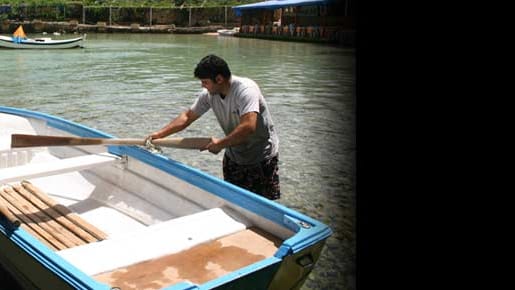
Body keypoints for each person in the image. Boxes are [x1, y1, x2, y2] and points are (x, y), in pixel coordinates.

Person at [146, 54, 280, 200]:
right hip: (233, 155)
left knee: (262, 207)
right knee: (232, 201)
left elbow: (248, 126)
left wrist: (220, 144)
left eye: (205, 82)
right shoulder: (209, 94)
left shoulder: (246, 90)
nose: (202, 85)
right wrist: (159, 134)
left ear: (219, 79)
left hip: (260, 157)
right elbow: (187, 117)